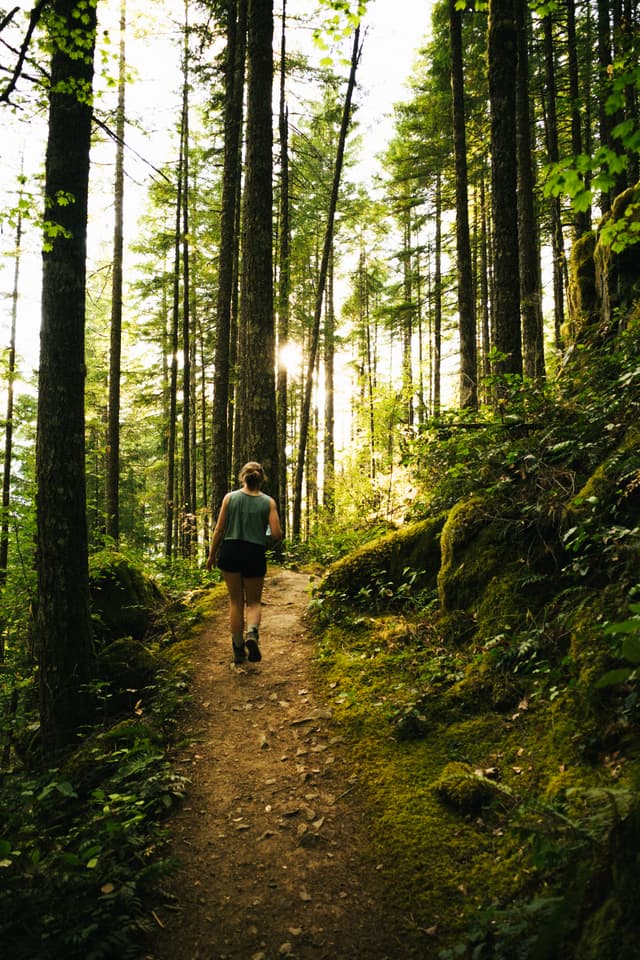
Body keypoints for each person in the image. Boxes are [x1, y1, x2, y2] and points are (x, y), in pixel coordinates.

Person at [206, 461, 282, 665]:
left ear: (243, 477)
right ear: (262, 478)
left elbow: (219, 530)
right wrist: (262, 533)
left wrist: (212, 555)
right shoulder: (268, 502)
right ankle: (252, 633)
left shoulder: (230, 498)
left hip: (230, 551)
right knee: (254, 602)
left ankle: (238, 649)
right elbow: (276, 533)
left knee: (235, 601)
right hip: (254, 552)